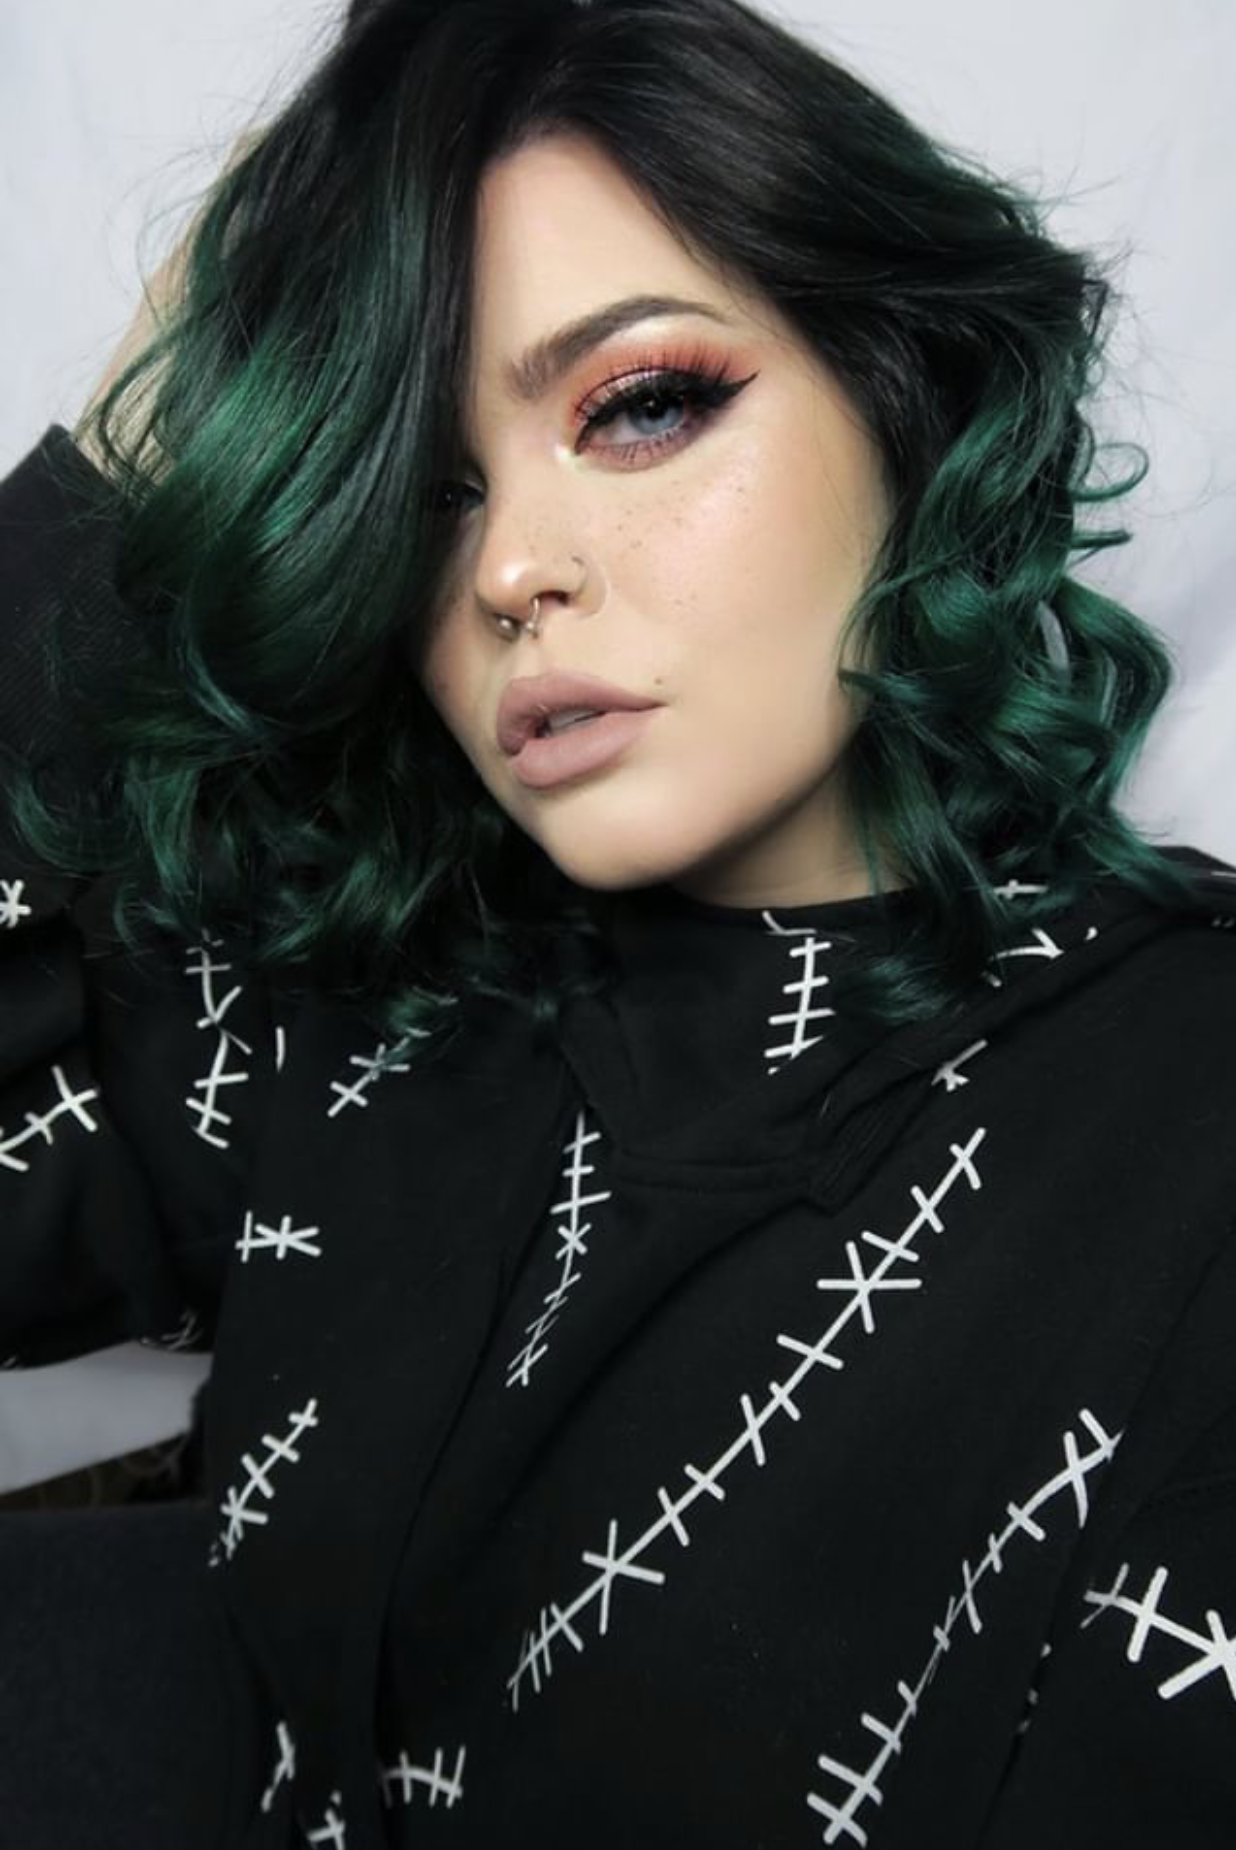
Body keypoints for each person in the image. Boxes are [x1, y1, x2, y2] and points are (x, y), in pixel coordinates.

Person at [2, 0, 1235, 1844]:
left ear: (899, 394)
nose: (510, 568)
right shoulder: (366, 1010)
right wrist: (142, 438)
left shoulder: (1190, 1113)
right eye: (430, 493)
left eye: (641, 404)